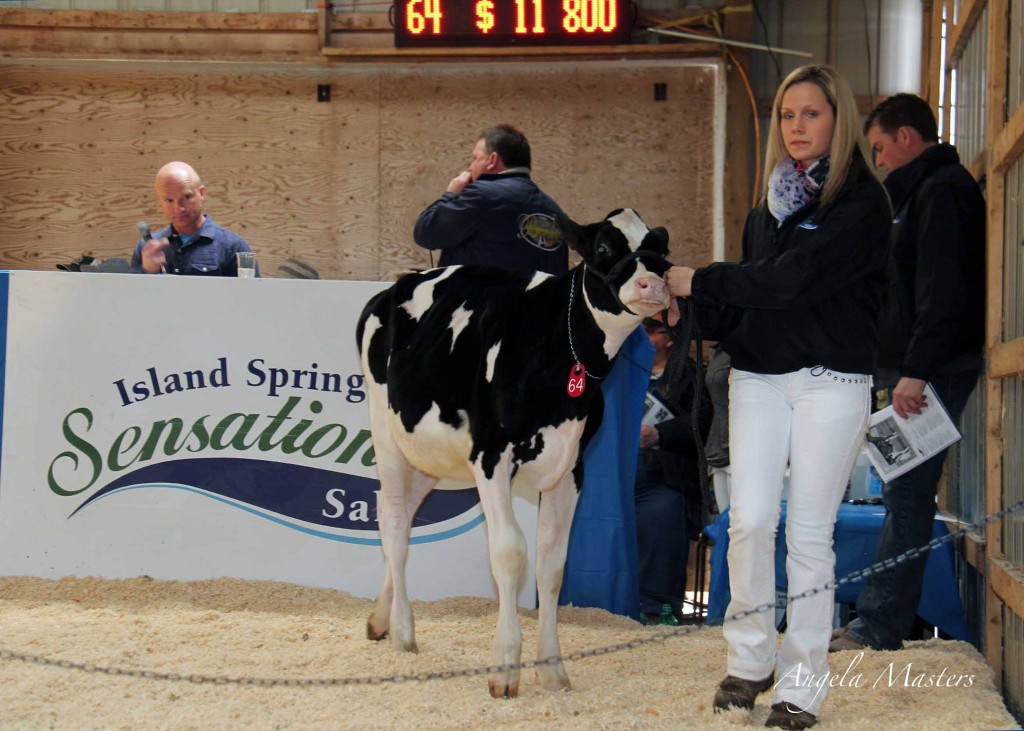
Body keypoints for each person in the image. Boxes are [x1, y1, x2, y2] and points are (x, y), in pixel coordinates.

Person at [665, 65, 891, 728]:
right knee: (751, 519)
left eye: (811, 114)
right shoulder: (765, 210)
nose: (797, 127)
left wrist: (699, 278)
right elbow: (747, 308)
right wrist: (689, 310)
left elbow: (793, 282)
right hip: (758, 379)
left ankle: (801, 685)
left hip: (833, 382)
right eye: (788, 115)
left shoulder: (860, 205)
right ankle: (751, 657)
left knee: (812, 534)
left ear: (838, 120)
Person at [829, 93, 986, 654]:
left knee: (908, 495)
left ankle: (880, 625)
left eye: (879, 147)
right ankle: (876, 621)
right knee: (902, 494)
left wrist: (916, 371)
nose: (879, 159)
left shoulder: (943, 192)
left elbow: (942, 289)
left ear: (905, 137)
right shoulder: (917, 193)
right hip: (914, 365)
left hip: (932, 369)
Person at [635, 312, 711, 626]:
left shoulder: (691, 376)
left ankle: (658, 611)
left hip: (666, 478)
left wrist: (660, 434)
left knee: (661, 547)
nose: (642, 337)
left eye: (651, 331)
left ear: (669, 340)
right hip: (620, 478)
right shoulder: (623, 373)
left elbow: (703, 421)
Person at [413, 124, 568, 275]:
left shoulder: (482, 195)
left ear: (492, 160)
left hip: (481, 300)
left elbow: (426, 233)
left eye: (475, 158)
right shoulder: (554, 210)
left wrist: (451, 194)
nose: (470, 168)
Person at [131, 161, 257, 277]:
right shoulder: (146, 250)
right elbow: (129, 299)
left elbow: (251, 298)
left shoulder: (233, 247)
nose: (178, 208)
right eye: (169, 200)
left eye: (186, 197)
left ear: (201, 193)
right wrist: (147, 272)